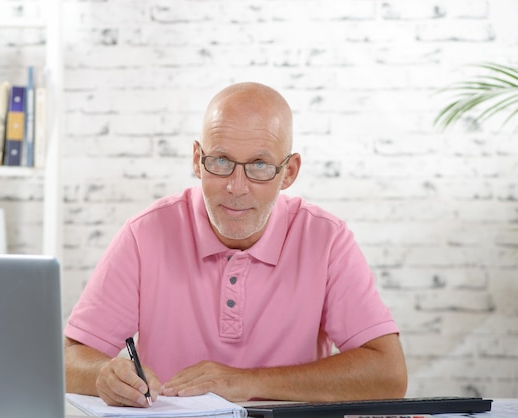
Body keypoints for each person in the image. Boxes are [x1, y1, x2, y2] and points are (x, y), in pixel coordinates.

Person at [64, 82, 408, 407]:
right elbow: (68, 359)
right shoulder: (145, 233)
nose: (236, 187)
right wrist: (102, 375)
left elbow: (388, 374)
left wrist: (249, 382)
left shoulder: (327, 239)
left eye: (259, 165)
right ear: (197, 159)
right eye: (221, 162)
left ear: (288, 172)